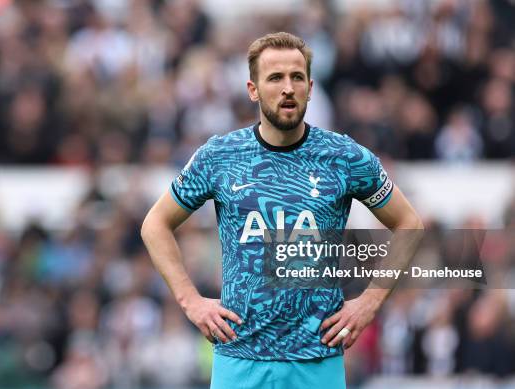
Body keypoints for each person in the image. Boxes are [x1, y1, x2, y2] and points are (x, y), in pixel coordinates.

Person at [141, 32, 423, 389]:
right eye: (275, 78)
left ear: (310, 86)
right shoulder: (219, 156)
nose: (287, 88)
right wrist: (191, 301)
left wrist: (369, 302)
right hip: (239, 358)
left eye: (296, 77)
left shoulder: (345, 157)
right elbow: (155, 224)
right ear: (253, 89)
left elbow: (409, 223)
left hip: (316, 359)